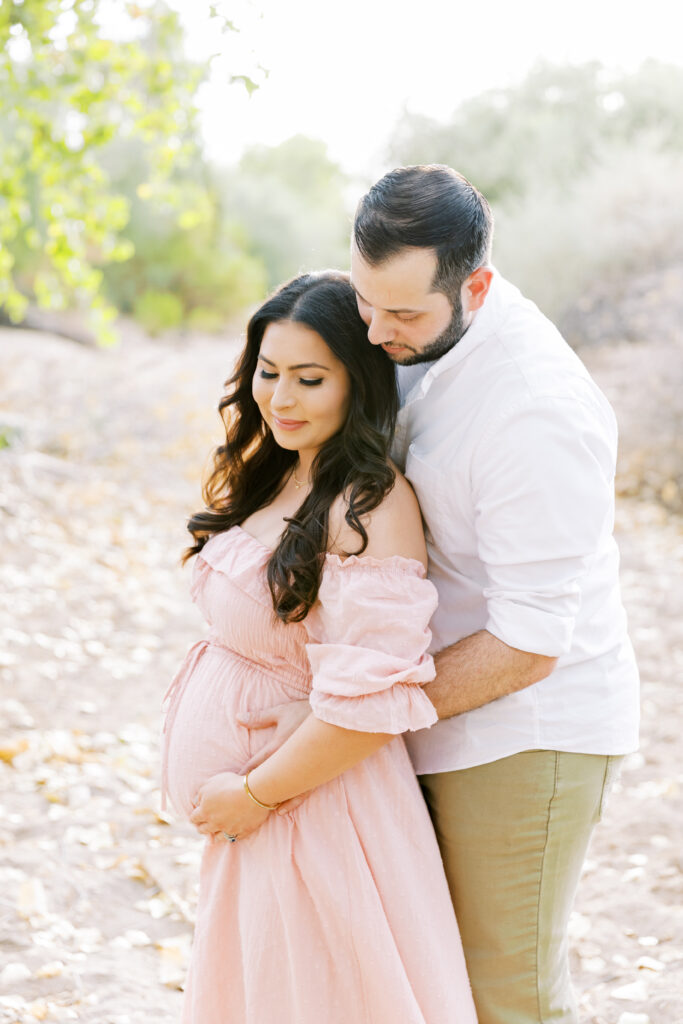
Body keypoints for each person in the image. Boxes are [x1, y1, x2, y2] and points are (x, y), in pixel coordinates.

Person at [241, 166, 640, 1023]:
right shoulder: (404, 324)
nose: (377, 331)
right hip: (420, 717)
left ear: (477, 286)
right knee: (422, 983)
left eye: (405, 314)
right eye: (364, 301)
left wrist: (353, 716)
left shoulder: (534, 412)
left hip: (522, 735)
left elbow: (530, 643)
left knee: (506, 995)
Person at [161, 271, 478, 1024]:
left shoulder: (367, 505)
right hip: (263, 815)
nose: (281, 398)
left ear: (357, 382)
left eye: (309, 378)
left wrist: (254, 794)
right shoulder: (275, 474)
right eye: (268, 373)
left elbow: (370, 701)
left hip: (312, 811)